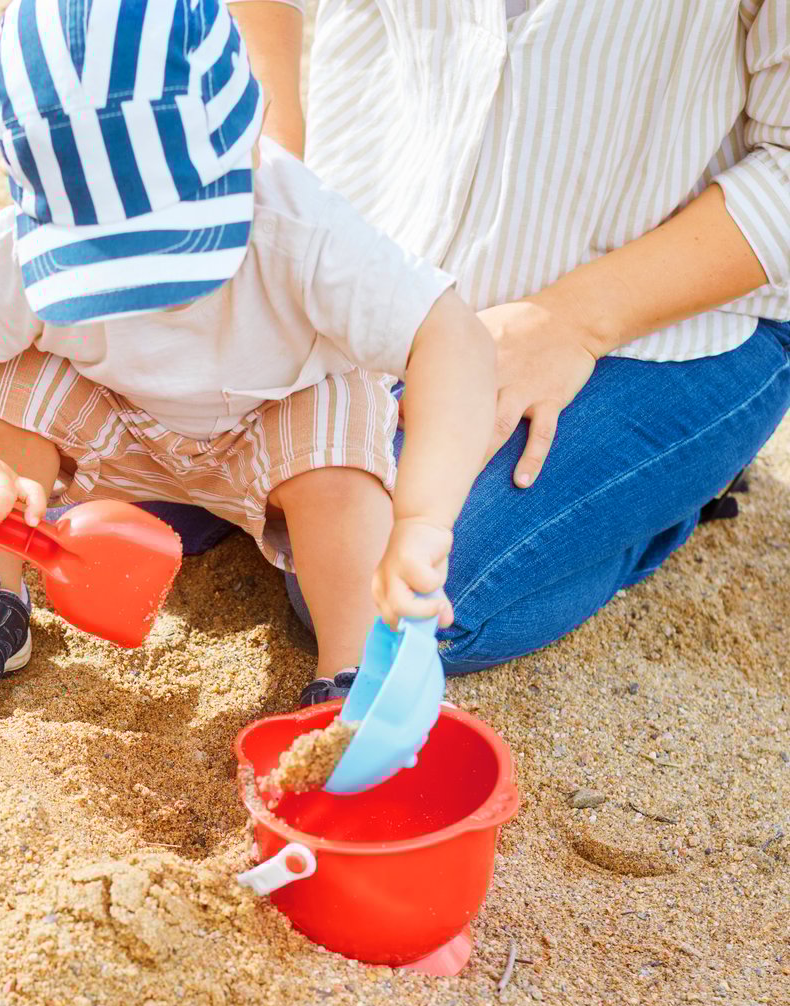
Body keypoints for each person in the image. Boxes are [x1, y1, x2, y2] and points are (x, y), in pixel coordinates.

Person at [0, 0, 495, 720]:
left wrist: (424, 519)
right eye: (107, 253)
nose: (153, 293)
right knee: (12, 389)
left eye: (178, 242)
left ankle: (352, 670)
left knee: (340, 446)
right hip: (119, 423)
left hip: (273, 419)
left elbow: (453, 338)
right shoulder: (22, 243)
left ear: (252, 133)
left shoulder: (307, 233)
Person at [218, 0, 790, 670]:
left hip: (668, 313)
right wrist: (273, 173)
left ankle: (669, 490)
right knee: (158, 493)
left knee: (389, 600)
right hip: (375, 245)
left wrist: (573, 321)